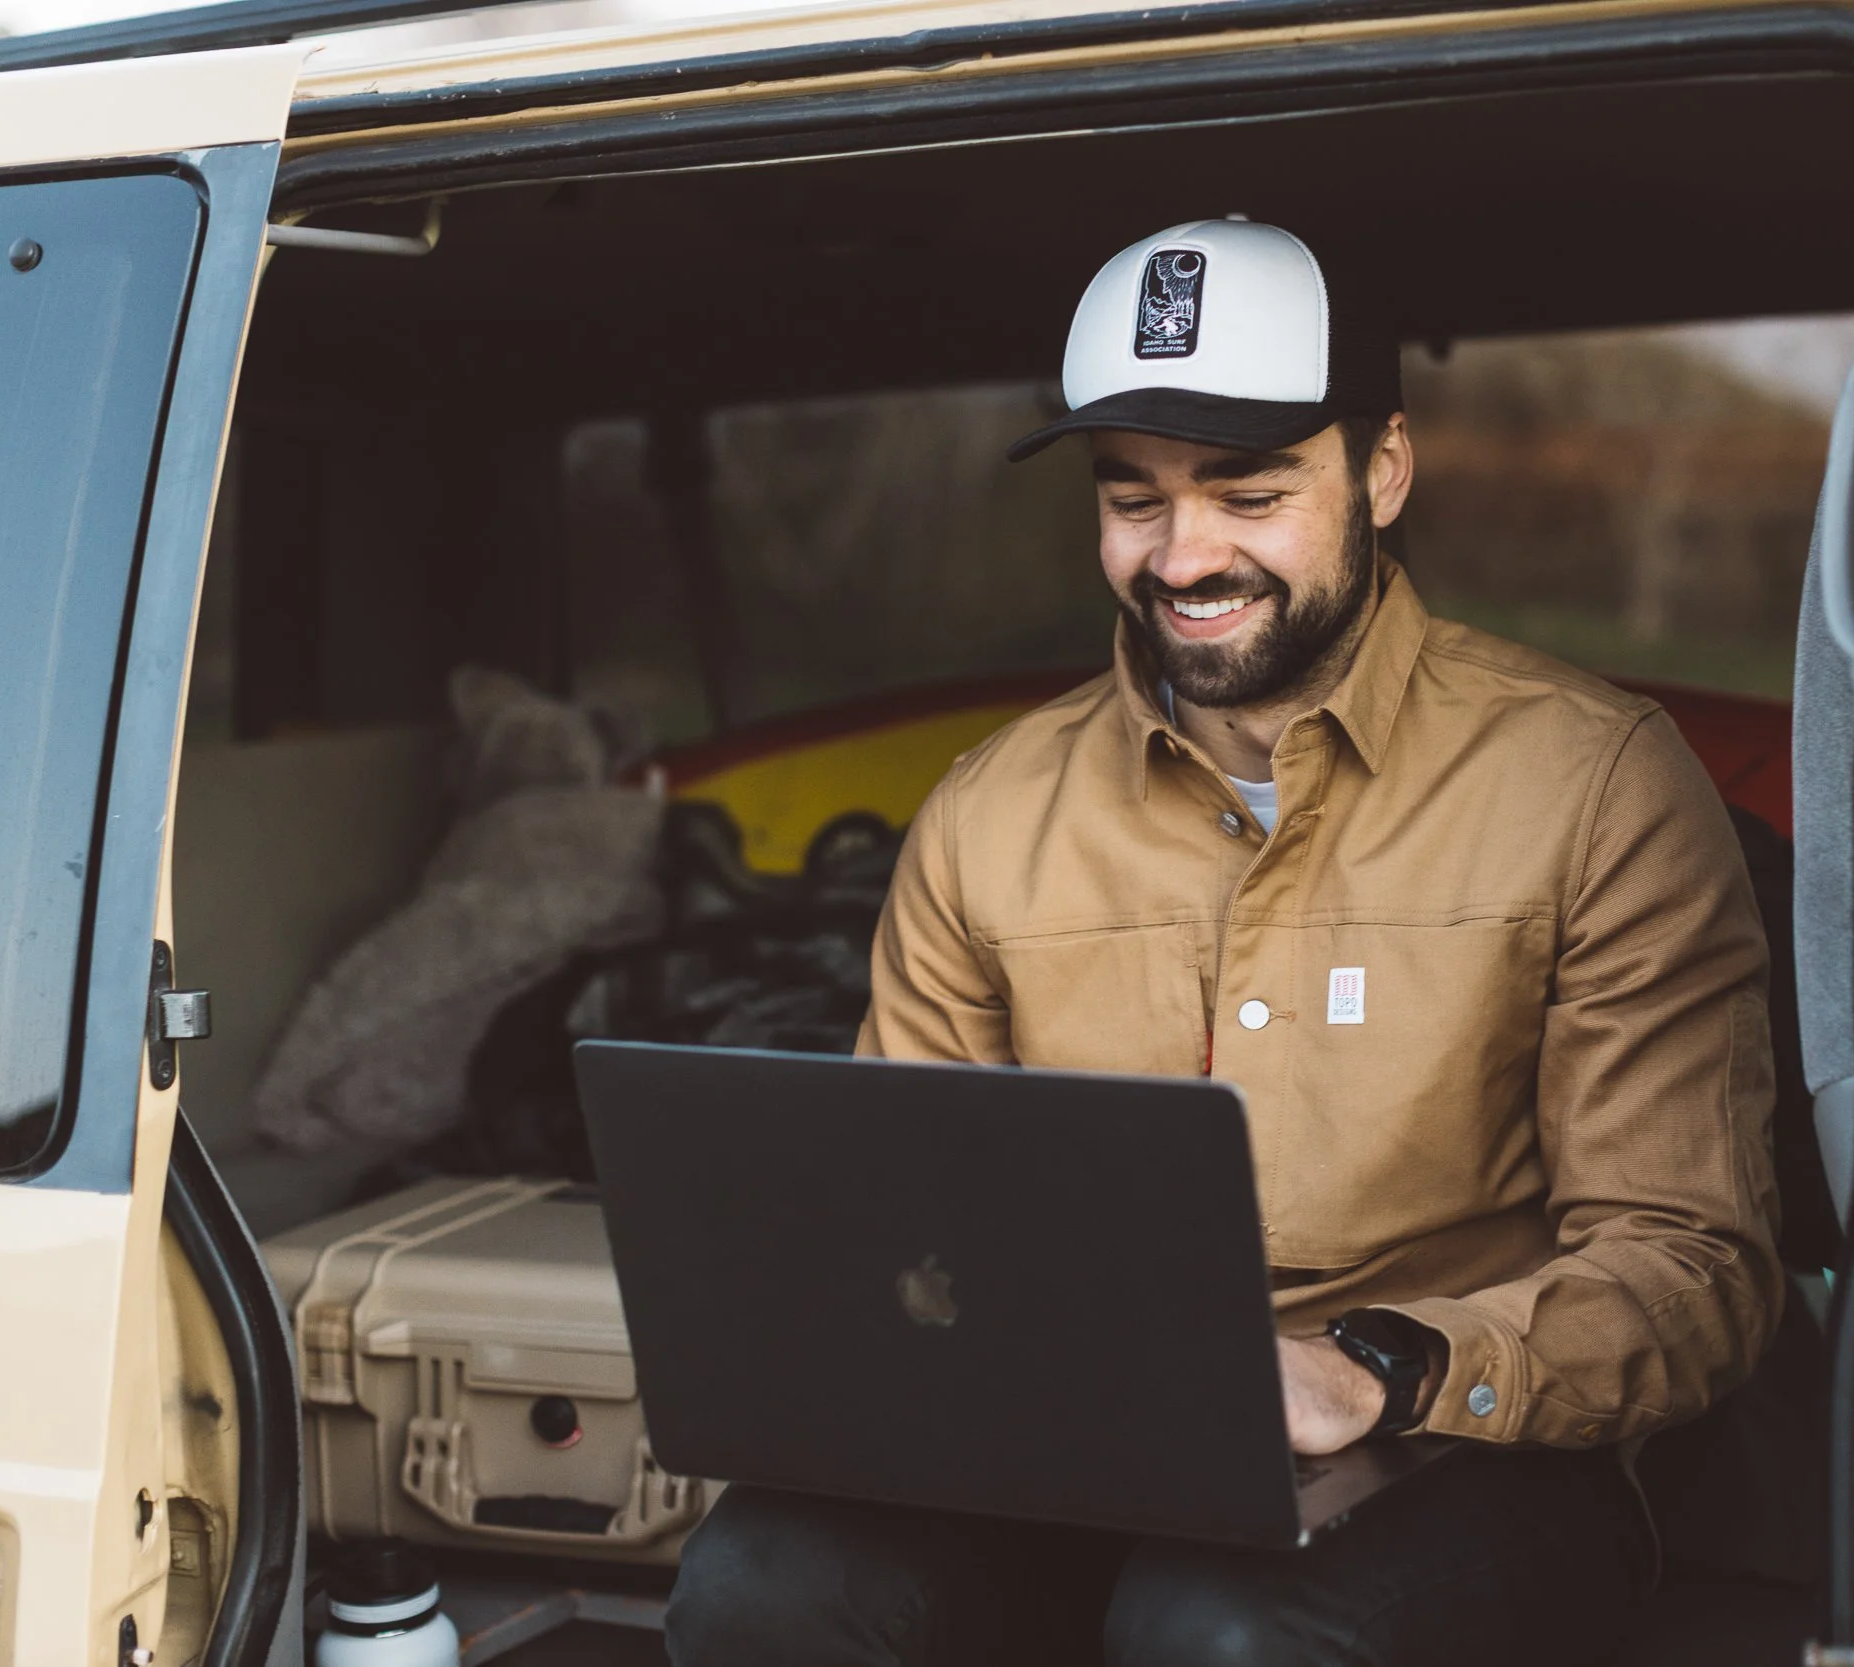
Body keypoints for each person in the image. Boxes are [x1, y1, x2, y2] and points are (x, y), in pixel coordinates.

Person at [667, 218, 1781, 1666]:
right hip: (1074, 1449)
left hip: (1468, 1447)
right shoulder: (987, 811)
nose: (1183, 555)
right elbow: (908, 1230)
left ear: (1383, 468)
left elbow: (1693, 1268)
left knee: (1219, 1632)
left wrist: (1377, 1368)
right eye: (1133, 499)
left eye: (1248, 494)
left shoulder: (1597, 783)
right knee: (761, 1580)